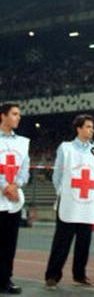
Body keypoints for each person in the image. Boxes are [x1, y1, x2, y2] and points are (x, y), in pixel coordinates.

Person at [45, 114, 94, 290]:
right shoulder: (65, 148)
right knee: (62, 241)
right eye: (88, 126)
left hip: (87, 203)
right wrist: (64, 193)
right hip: (68, 202)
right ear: (79, 128)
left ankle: (79, 275)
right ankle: (52, 275)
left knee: (84, 242)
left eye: (92, 127)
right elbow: (57, 175)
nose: (92, 130)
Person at [0, 103, 30, 295]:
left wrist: (15, 185)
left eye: (19, 114)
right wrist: (4, 186)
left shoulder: (23, 142)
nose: (18, 117)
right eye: (14, 114)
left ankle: (5, 279)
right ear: (2, 116)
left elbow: (24, 169)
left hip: (13, 199)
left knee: (9, 243)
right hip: (2, 193)